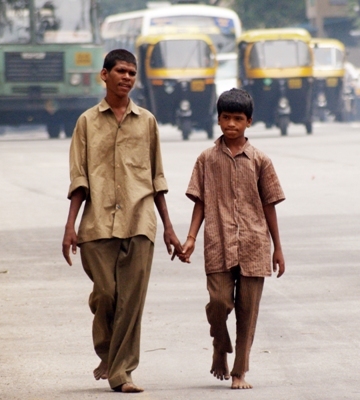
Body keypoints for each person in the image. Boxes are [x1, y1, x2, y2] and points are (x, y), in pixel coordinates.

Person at [62, 49, 182, 393]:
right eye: (120, 71)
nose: (127, 77)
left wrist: (170, 228)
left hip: (140, 220)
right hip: (97, 223)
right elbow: (79, 179)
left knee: (131, 301)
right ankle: (109, 353)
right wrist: (70, 226)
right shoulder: (86, 122)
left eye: (131, 72)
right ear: (104, 75)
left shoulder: (147, 122)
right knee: (106, 295)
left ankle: (121, 372)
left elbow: (158, 179)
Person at [176, 88, 285, 389]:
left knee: (248, 313)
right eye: (226, 118)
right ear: (218, 119)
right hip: (218, 242)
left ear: (249, 121)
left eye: (238, 119)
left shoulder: (260, 160)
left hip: (254, 244)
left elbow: (269, 205)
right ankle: (220, 346)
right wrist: (190, 238)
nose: (231, 125)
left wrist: (278, 248)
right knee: (219, 303)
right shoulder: (207, 159)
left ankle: (239, 372)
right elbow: (199, 201)